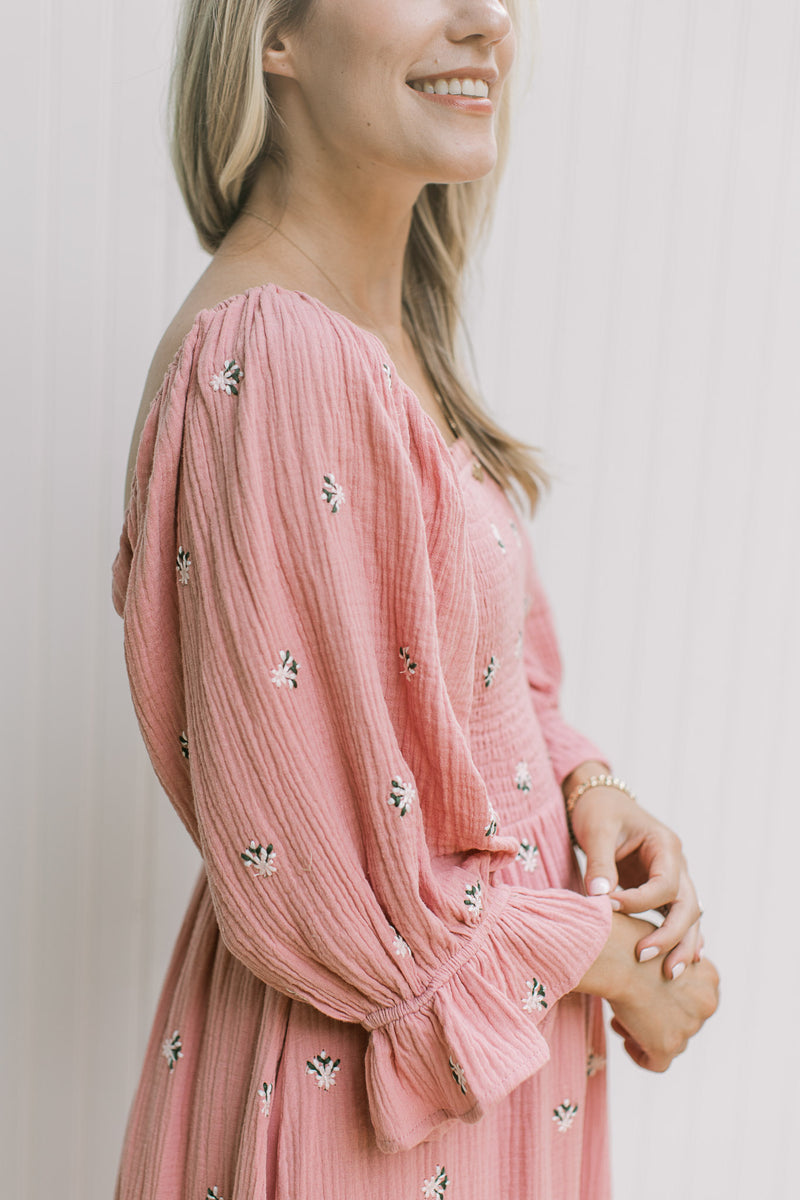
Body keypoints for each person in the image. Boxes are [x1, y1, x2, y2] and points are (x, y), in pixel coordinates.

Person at [112, 1, 719, 1197]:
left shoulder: (378, 341)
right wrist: (615, 960)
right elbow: (340, 892)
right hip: (373, 1088)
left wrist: (589, 788)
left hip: (478, 1068)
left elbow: (478, 691)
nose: (486, 19)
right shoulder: (277, 359)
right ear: (271, 36)